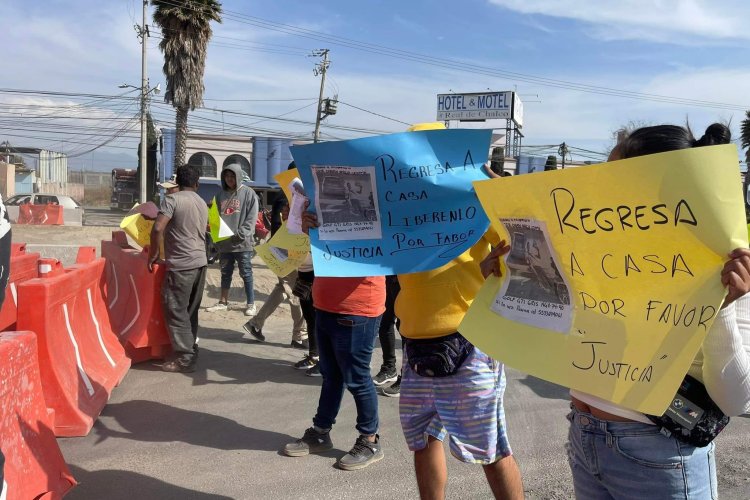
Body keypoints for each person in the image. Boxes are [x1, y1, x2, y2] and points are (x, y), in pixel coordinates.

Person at [566, 123, 750, 499]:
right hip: (583, 434)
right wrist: (506, 275)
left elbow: (735, 399)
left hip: (659, 449)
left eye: (615, 181)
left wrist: (721, 309)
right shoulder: (598, 250)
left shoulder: (727, 261)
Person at [397, 228, 524, 499]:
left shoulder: (470, 185)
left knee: (491, 448)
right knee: (423, 439)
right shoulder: (388, 190)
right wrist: (311, 226)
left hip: (470, 340)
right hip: (414, 338)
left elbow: (518, 236)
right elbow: (354, 239)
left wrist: (500, 267)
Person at [283, 202, 386, 471]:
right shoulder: (325, 202)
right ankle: (320, 431)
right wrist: (307, 228)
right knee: (331, 375)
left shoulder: (381, 205)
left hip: (358, 306)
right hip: (325, 302)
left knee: (357, 377)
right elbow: (311, 252)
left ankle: (370, 439)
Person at [148, 164, 208, 373]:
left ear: (177, 183)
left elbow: (158, 228)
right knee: (190, 311)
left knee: (175, 310)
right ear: (197, 183)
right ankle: (191, 347)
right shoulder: (201, 202)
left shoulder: (172, 200)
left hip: (182, 265)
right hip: (200, 263)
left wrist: (153, 254)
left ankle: (185, 357)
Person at [243, 187, 307, 348]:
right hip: (288, 251)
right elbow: (280, 224)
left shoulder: (288, 194)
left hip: (285, 249)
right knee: (298, 292)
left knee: (283, 288)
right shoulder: (291, 195)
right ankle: (299, 335)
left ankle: (255, 324)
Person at [205, 163, 259, 316]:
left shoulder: (249, 193)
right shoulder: (219, 195)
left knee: (246, 272)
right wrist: (217, 238)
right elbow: (215, 218)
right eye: (226, 176)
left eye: (232, 176)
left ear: (238, 176)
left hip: (243, 243)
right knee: (225, 272)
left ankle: (251, 304)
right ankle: (223, 302)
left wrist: (241, 234)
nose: (229, 179)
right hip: (225, 244)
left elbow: (251, 217)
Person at [372, 275, 400, 393]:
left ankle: (407, 378)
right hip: (388, 279)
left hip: (407, 280)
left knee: (405, 328)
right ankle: (389, 368)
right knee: (384, 324)